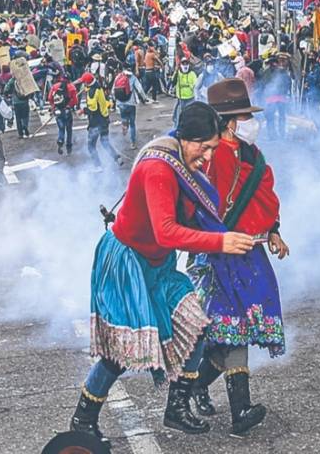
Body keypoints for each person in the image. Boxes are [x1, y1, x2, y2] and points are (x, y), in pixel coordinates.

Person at [67, 102, 257, 444]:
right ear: (185, 138)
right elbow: (167, 232)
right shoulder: (159, 168)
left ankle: (177, 407)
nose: (208, 157)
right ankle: (83, 418)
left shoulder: (184, 162)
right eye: (204, 147)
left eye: (213, 148)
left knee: (196, 323)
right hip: (127, 262)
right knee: (121, 351)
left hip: (159, 264)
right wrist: (221, 241)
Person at [188, 78, 288, 437]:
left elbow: (263, 196)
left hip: (249, 252)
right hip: (216, 254)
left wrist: (273, 231)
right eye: (244, 115)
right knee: (231, 329)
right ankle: (240, 409)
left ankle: (195, 386)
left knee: (233, 330)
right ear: (229, 121)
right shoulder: (207, 158)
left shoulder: (252, 155)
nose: (250, 121)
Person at [80, 72, 122, 170]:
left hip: (96, 123)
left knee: (91, 146)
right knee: (105, 142)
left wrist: (83, 110)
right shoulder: (98, 87)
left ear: (87, 83)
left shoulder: (92, 92)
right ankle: (117, 158)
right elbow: (103, 102)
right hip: (105, 120)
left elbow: (93, 110)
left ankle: (98, 166)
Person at [112, 66, 148, 150]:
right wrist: (144, 98)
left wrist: (115, 101)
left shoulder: (118, 77)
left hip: (121, 104)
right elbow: (140, 89)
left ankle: (124, 125)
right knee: (132, 124)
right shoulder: (133, 78)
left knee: (124, 118)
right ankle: (132, 142)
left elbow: (113, 91)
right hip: (131, 104)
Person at [48, 71, 78, 155]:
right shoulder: (72, 87)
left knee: (61, 128)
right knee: (69, 130)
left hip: (58, 110)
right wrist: (70, 105)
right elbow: (75, 101)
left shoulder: (55, 86)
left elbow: (50, 98)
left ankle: (60, 140)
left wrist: (53, 107)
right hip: (67, 111)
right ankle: (69, 147)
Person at [171, 58, 197, 127]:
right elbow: (173, 82)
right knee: (178, 116)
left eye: (186, 64)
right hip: (181, 99)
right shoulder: (178, 73)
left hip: (190, 99)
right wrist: (176, 72)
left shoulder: (192, 74)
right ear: (181, 65)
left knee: (190, 115)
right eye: (183, 64)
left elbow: (195, 84)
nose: (185, 65)